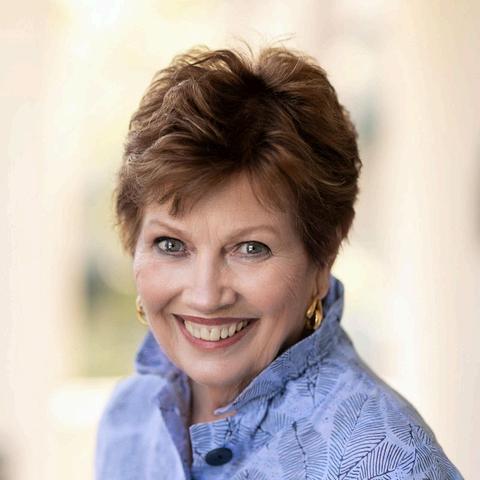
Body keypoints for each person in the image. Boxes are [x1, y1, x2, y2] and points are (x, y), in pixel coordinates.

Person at [95, 45, 463, 479]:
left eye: (251, 248)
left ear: (323, 256)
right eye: (171, 245)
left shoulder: (387, 462)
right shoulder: (131, 419)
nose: (206, 296)